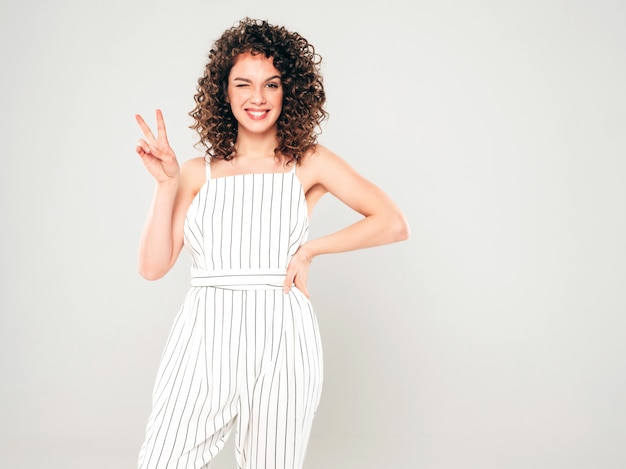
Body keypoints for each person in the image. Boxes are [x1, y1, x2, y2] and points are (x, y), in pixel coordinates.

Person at [134, 17, 409, 469]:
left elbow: (393, 222)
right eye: (243, 84)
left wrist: (310, 250)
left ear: (290, 91)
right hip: (204, 333)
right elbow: (152, 266)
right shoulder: (194, 171)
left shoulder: (309, 162)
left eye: (272, 84)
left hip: (283, 333)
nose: (257, 98)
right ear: (224, 92)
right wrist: (165, 186)